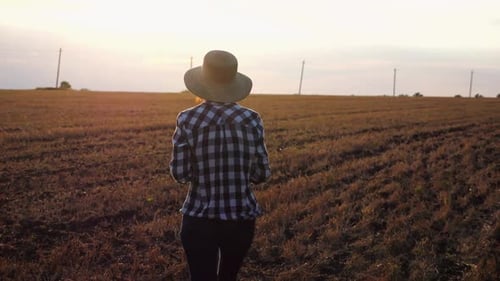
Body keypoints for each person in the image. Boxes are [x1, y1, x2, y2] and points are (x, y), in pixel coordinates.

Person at [170, 50, 271, 281]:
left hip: (199, 217)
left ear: (202, 81)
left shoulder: (187, 119)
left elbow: (180, 173)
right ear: (234, 81)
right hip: (241, 217)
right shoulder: (252, 119)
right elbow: (262, 173)